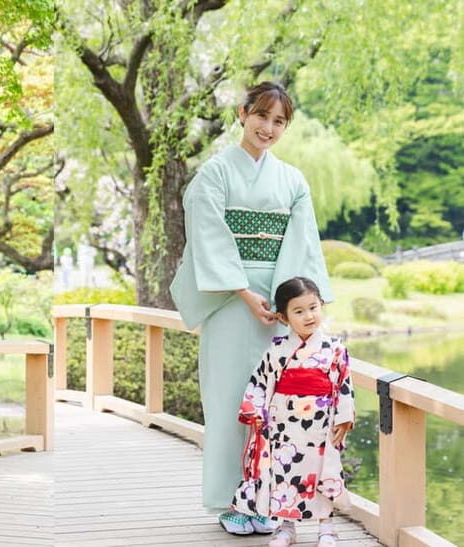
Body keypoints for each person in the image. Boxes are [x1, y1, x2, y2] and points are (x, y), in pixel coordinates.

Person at [169, 81, 333, 535]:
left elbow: (302, 244)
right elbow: (209, 237)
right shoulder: (215, 173)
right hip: (230, 301)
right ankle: (230, 501)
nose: (268, 127)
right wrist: (244, 292)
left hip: (279, 304)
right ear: (243, 114)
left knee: (277, 407)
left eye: (279, 121)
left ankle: (266, 497)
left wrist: (290, 305)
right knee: (228, 401)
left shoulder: (293, 180)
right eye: (261, 115)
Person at [232, 277, 354, 547]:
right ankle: (286, 528)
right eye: (298, 311)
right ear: (283, 317)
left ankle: (327, 528)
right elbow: (260, 382)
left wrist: (344, 418)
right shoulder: (277, 349)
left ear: (321, 305)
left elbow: (344, 383)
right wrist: (255, 410)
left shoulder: (335, 349)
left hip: (322, 424)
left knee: (324, 473)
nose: (309, 316)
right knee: (284, 474)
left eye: (313, 307)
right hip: (283, 424)